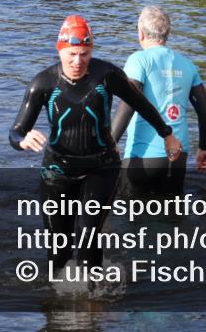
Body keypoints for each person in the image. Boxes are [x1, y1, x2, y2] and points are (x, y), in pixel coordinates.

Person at [9, 15, 182, 272]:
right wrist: (23, 140)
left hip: (101, 167)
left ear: (91, 51)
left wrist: (167, 133)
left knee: (89, 236)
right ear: (60, 50)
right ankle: (58, 301)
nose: (78, 61)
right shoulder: (42, 83)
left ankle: (93, 299)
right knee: (58, 247)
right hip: (57, 170)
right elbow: (15, 131)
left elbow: (141, 104)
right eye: (71, 54)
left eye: (85, 54)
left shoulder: (107, 75)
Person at [112, 7, 206, 204]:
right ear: (167, 34)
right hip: (178, 156)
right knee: (171, 219)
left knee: (131, 219)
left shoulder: (138, 60)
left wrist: (108, 145)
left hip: (143, 156)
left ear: (140, 32)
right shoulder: (187, 64)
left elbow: (128, 105)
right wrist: (204, 148)